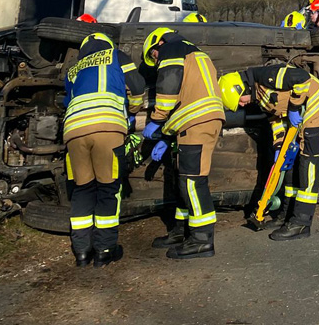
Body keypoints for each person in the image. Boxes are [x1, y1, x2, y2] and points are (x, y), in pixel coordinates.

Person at [217, 64, 319, 240]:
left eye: (240, 100)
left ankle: (301, 223)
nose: (243, 104)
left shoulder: (267, 76)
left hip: (316, 109)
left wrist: (294, 108)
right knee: (290, 166)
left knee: (308, 164)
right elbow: (275, 119)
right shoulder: (257, 96)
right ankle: (286, 215)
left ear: (240, 88)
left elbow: (301, 78)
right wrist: (279, 145)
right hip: (297, 116)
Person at [62, 31, 145, 267]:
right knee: (108, 188)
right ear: (107, 45)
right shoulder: (116, 55)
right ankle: (104, 250)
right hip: (107, 127)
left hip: (73, 131)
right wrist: (132, 110)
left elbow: (68, 101)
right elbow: (137, 85)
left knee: (83, 189)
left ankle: (81, 252)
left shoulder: (73, 69)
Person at [141, 27, 225, 259]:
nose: (156, 61)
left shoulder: (172, 48)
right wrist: (168, 136)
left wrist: (157, 120)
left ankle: (201, 240)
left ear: (159, 43)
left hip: (197, 123)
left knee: (192, 182)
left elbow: (169, 87)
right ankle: (181, 231)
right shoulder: (194, 53)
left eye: (153, 55)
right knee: (183, 179)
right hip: (197, 122)